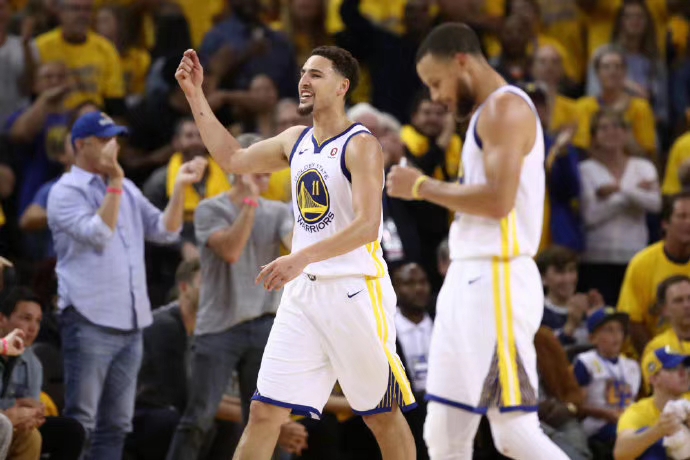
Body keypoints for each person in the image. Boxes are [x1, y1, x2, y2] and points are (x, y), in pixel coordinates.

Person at [175, 44, 416, 459]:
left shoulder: (361, 144)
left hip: (353, 290)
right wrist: (195, 94)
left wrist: (301, 256)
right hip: (303, 295)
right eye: (303, 72)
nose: (304, 81)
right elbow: (233, 158)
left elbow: (367, 226)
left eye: (316, 74)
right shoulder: (295, 140)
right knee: (264, 412)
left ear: (342, 86)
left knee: (381, 414)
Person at [386, 23, 569, 459]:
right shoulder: (484, 115)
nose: (435, 97)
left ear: (462, 63)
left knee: (513, 433)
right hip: (467, 279)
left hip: (497, 279)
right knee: (444, 432)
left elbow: (498, 201)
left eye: (437, 82)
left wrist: (421, 186)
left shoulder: (506, 109)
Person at [46, 111, 208, 460]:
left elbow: (166, 230)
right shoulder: (65, 192)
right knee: (82, 423)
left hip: (131, 323)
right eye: (104, 140)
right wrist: (117, 181)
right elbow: (99, 234)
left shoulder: (127, 189)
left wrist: (180, 187)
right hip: (88, 320)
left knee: (117, 425)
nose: (112, 147)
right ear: (80, 145)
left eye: (115, 139)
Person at [166, 134, 295, 459]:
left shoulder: (279, 211)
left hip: (264, 323)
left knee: (269, 419)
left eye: (270, 168)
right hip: (219, 327)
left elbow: (297, 249)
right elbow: (231, 251)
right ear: (239, 168)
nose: (266, 174)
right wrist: (250, 204)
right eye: (260, 166)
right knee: (199, 419)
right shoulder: (211, 209)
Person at [0, 286, 85, 459]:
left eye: (38, 321)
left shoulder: (34, 362)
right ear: (2, 319)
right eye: (26, 318)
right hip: (4, 420)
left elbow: (31, 408)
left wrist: (34, 414)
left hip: (17, 423)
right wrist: (12, 410)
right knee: (26, 435)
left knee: (71, 430)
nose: (33, 328)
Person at [617, 191, 690, 356]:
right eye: (682, 216)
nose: (688, 222)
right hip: (648, 355)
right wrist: (656, 359)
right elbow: (633, 322)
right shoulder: (642, 264)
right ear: (665, 223)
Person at [573, 308, 641, 450]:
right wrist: (605, 414)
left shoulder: (632, 366)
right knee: (632, 438)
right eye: (609, 330)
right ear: (593, 338)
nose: (616, 335)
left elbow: (634, 400)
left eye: (619, 330)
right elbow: (578, 406)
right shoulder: (586, 362)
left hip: (627, 420)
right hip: (598, 424)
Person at [614, 347, 690, 460]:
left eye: (685, 367)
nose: (684, 373)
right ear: (654, 378)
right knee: (650, 441)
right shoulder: (638, 411)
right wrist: (657, 431)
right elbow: (620, 453)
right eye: (674, 368)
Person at [640, 275, 690, 392]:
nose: (687, 305)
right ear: (664, 310)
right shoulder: (656, 348)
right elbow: (656, 395)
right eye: (678, 300)